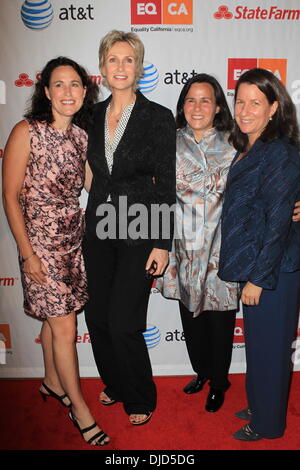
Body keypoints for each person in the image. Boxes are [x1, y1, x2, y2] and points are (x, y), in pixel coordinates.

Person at [2, 57, 109, 446]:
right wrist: (27, 254)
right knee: (65, 325)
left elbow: (96, 185)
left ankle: (50, 381)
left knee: (53, 318)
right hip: (39, 245)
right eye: (59, 85)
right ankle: (79, 408)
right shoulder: (26, 131)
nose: (68, 92)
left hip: (71, 240)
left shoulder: (82, 136)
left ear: (85, 91)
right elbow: (10, 197)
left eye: (75, 85)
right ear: (45, 91)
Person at [83, 30, 176, 425]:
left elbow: (167, 182)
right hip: (99, 227)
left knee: (123, 320)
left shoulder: (158, 117)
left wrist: (162, 242)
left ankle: (140, 395)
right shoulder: (89, 115)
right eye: (113, 59)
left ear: (139, 67)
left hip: (141, 227)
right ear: (102, 67)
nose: (120, 67)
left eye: (128, 60)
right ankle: (116, 383)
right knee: (97, 317)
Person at [219, 68, 300, 441]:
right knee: (259, 347)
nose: (246, 110)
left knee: (269, 351)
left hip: (275, 271)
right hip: (257, 266)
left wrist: (258, 279)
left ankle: (268, 425)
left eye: (256, 102)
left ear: (273, 108)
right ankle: (259, 403)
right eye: (241, 101)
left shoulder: (279, 152)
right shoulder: (249, 147)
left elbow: (279, 222)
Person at [156, 74, 239, 412]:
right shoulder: (169, 142)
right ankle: (202, 372)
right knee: (191, 319)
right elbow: (156, 193)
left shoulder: (237, 143)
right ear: (183, 106)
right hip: (182, 250)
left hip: (222, 250)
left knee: (220, 321)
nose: (198, 106)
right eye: (191, 99)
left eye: (206, 100)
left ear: (218, 106)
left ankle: (220, 382)